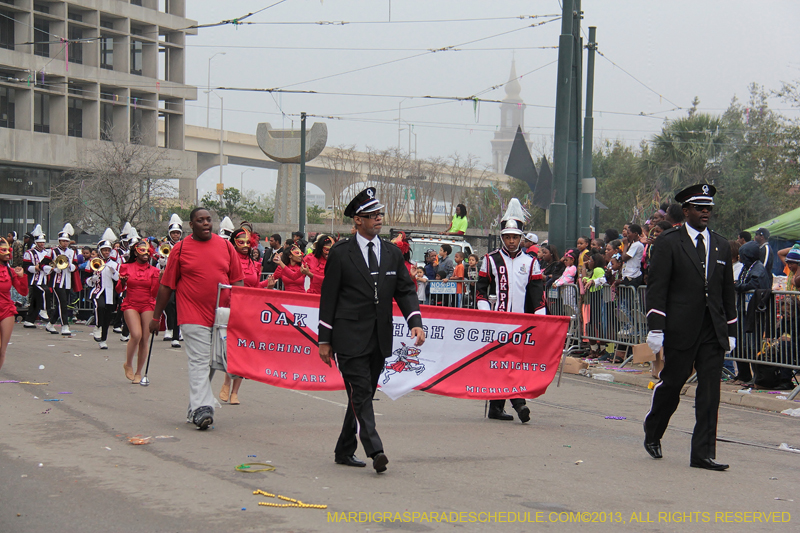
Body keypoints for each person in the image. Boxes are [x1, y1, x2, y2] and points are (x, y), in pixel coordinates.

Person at [318, 187, 425, 474]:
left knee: (360, 394)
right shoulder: (341, 253)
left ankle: (343, 448)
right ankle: (375, 449)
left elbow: (405, 290)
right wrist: (324, 340)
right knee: (362, 391)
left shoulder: (390, 252)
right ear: (357, 221)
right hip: (348, 336)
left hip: (379, 337)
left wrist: (415, 321)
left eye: (379, 214)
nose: (378, 220)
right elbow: (328, 298)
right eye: (371, 215)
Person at [644, 183, 737, 471]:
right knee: (673, 383)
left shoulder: (721, 244)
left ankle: (702, 454)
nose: (705, 212)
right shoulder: (669, 242)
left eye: (708, 208)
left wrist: (730, 329)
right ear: (686, 211)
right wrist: (656, 326)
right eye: (699, 208)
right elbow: (657, 288)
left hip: (712, 330)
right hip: (680, 328)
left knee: (710, 392)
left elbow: (726, 291)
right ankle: (654, 429)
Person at [149, 208, 244, 430]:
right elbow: (167, 286)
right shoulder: (180, 250)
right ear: (191, 225)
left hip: (220, 315)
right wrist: (156, 317)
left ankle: (194, 407)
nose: (205, 224)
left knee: (211, 361)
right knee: (200, 360)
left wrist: (239, 311)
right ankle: (204, 408)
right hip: (192, 315)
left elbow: (237, 281)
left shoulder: (226, 246)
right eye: (200, 220)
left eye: (208, 220)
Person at [476, 198, 545, 423]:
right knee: (502, 364)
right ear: (502, 237)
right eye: (508, 237)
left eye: (515, 237)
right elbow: (481, 290)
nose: (512, 241)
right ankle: (518, 403)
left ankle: (497, 408)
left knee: (513, 364)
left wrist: (541, 318)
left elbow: (537, 294)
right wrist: (486, 310)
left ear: (521, 238)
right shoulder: (490, 259)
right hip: (497, 321)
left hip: (522, 322)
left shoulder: (531, 262)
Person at [218, 225, 270, 406]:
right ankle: (226, 381)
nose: (246, 245)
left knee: (243, 350)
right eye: (241, 242)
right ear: (233, 243)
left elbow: (255, 288)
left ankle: (235, 391)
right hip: (231, 308)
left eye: (249, 242)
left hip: (249, 310)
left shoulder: (255, 264)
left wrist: (267, 285)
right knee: (231, 349)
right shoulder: (227, 261)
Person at [116, 237, 160, 383]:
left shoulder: (154, 270)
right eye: (142, 250)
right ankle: (128, 364)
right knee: (136, 335)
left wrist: (159, 280)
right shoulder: (125, 267)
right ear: (136, 252)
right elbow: (118, 289)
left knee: (144, 340)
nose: (145, 253)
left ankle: (139, 372)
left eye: (148, 251)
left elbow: (154, 293)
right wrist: (122, 283)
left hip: (148, 304)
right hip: (131, 303)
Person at [86, 229, 120, 349]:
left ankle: (103, 340)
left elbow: (117, 279)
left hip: (110, 293)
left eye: (108, 250)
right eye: (104, 250)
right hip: (98, 291)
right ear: (100, 251)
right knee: (100, 307)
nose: (106, 252)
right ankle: (97, 326)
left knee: (107, 316)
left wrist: (114, 272)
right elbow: (87, 279)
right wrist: (93, 278)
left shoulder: (115, 264)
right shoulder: (93, 262)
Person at [47, 224, 81, 335]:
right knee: (63, 302)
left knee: (61, 304)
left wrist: (70, 266)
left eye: (67, 241)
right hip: (57, 281)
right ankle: (65, 326)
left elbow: (76, 266)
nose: (65, 243)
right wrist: (53, 269)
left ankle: (50, 324)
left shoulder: (72, 252)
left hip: (67, 281)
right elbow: (43, 265)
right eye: (63, 241)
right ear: (59, 241)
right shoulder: (53, 251)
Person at [157, 214, 185, 348]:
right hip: (168, 278)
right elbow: (159, 262)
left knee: (180, 305)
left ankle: (177, 333)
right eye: (173, 233)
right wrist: (162, 261)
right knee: (168, 303)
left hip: (181, 279)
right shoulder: (164, 246)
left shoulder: (185, 245)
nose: (175, 235)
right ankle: (168, 329)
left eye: (177, 233)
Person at [0, 237, 28, 371]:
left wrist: (21, 277)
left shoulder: (10, 272)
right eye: (3, 250)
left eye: (7, 250)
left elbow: (23, 292)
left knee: (2, 350)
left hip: (6, 310)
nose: (7, 253)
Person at [21, 232, 52, 328]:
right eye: (39, 242)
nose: (42, 244)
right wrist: (35, 268)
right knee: (44, 291)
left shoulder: (47, 252)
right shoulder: (29, 252)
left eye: (43, 242)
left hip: (44, 278)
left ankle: (29, 320)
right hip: (35, 279)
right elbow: (25, 266)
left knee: (35, 299)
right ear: (36, 242)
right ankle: (43, 310)